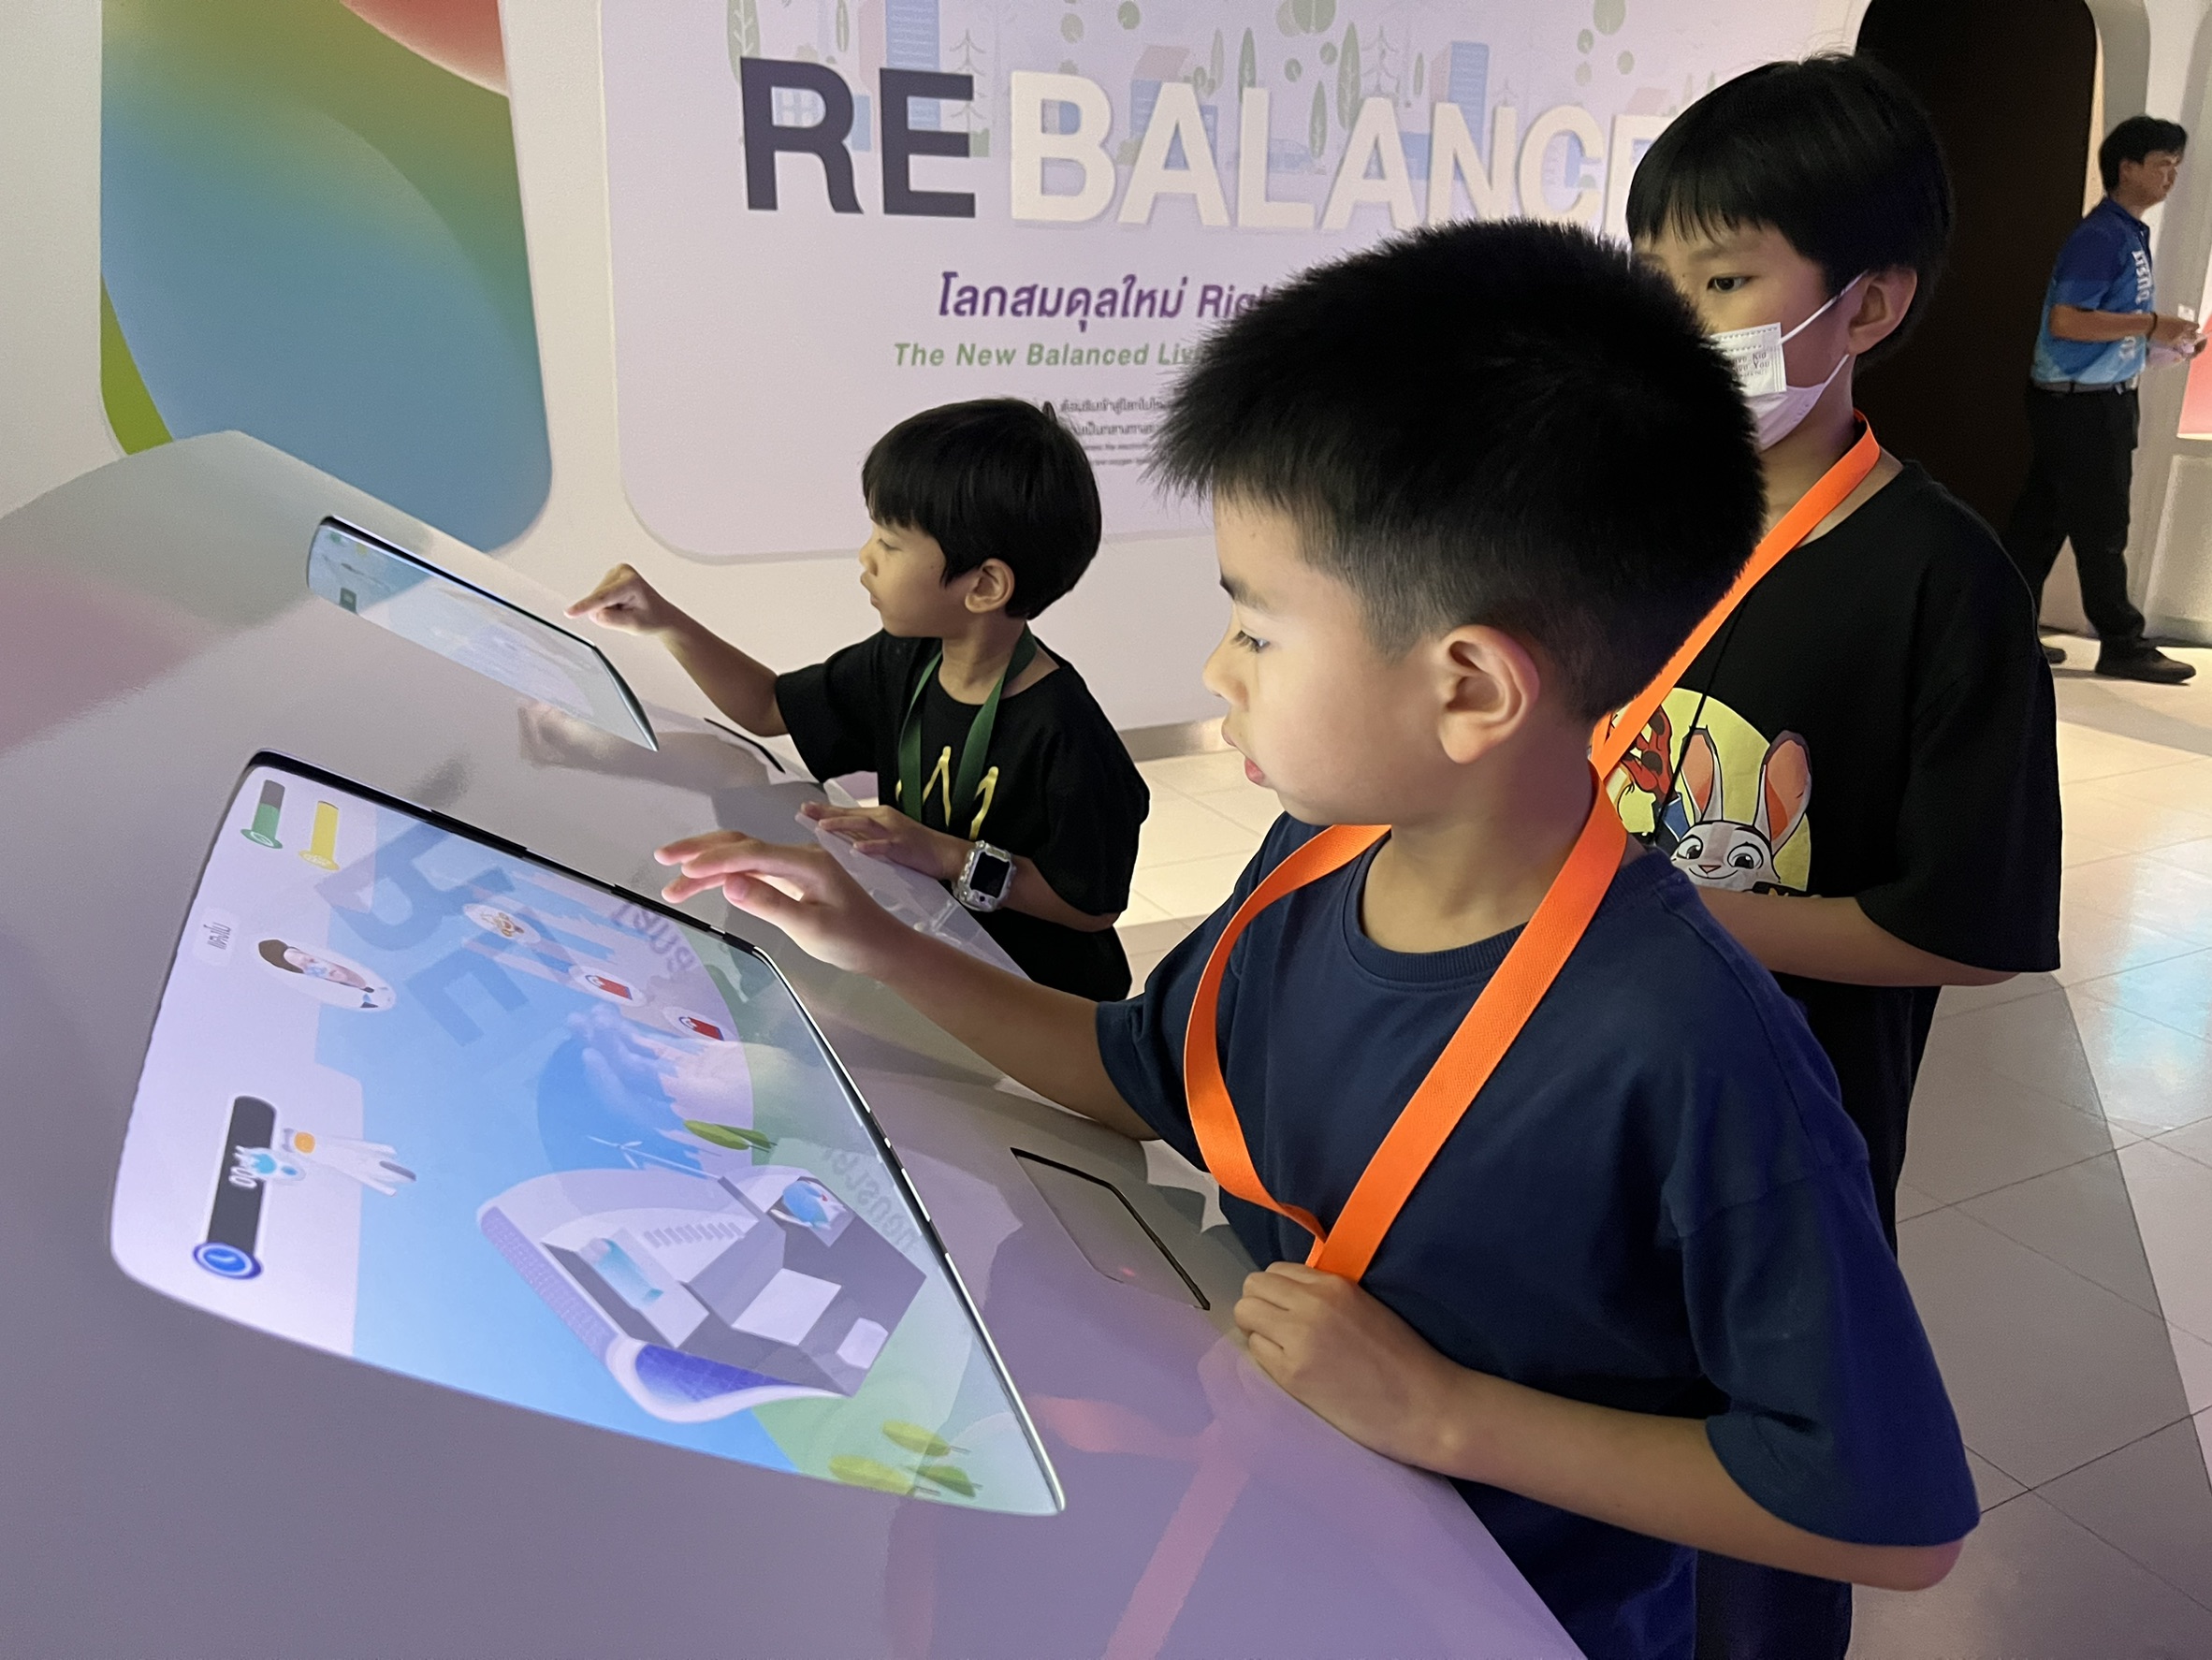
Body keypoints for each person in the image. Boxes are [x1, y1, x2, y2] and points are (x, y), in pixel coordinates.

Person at [648, 220, 1976, 1660]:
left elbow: (1891, 1518)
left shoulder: (1686, 1042)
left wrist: (1447, 1413)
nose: (1216, 670)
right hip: (1272, 1551)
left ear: (1470, 687)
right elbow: (1137, 1072)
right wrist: (884, 945)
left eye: (1259, 629)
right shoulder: (1315, 860)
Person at [1624, 53, 2061, 1657]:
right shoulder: (1614, 522)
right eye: (1650, 278)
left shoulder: (1940, 581)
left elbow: (1968, 926)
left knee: (1753, 1517)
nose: (1673, 323)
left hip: (1777, 1139)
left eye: (1722, 281)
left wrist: (1677, 916)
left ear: (1865, 305)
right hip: (1577, 1089)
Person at [570, 399, 1148, 999]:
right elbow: (768, 707)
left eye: (890, 543)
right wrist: (666, 621)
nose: (865, 557)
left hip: (1035, 996)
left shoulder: (1066, 733)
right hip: (933, 954)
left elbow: (1090, 908)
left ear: (984, 585)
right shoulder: (906, 660)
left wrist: (944, 855)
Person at [2005, 113, 2201, 681]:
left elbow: (2099, 324)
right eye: (2162, 165)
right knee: (2101, 526)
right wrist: (2153, 325)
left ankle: (2006, 633)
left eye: (2175, 166)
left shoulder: (2127, 233)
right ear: (2127, 168)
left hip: (2091, 399)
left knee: (2040, 525)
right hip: (2082, 406)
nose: (2170, 177)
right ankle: (2122, 642)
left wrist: (2156, 348)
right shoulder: (2101, 237)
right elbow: (2067, 321)